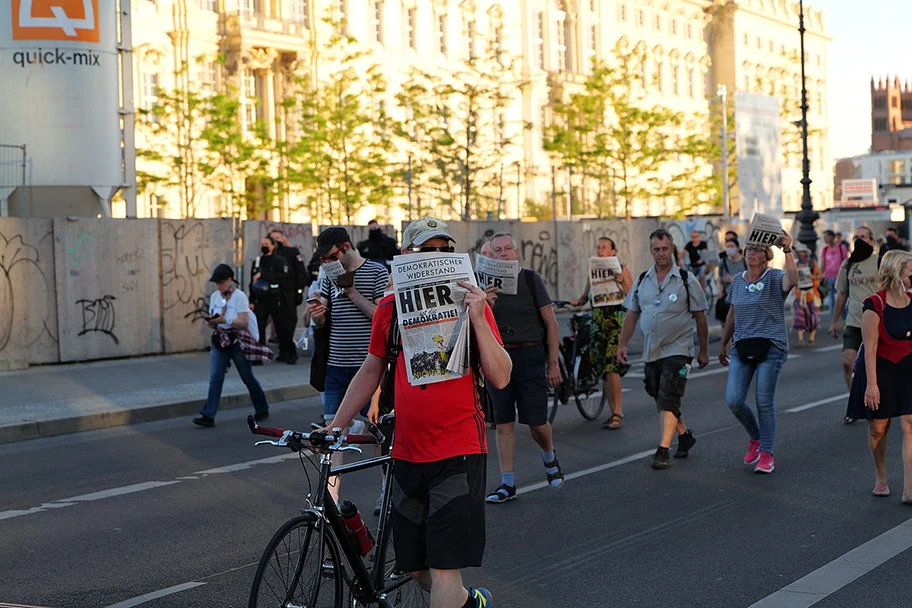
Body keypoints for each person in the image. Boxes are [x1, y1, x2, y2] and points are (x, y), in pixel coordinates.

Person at [324, 216, 511, 608]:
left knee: (444, 566)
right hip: (407, 452)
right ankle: (471, 602)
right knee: (414, 566)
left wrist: (477, 317)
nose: (438, 256)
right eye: (429, 251)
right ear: (408, 256)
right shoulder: (390, 309)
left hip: (459, 450)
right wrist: (335, 426)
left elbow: (500, 376)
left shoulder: (472, 302)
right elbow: (372, 367)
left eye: (445, 250)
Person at [483, 232, 564, 504]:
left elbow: (551, 324)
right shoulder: (484, 287)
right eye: (498, 251)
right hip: (499, 356)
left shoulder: (530, 280)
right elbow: (478, 326)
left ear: (516, 252)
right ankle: (508, 483)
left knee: (536, 423)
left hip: (530, 354)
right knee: (503, 422)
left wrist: (552, 363)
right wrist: (486, 305)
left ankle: (549, 456)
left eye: (508, 249)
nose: (504, 254)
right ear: (491, 256)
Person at [618, 229, 709, 470]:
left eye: (665, 249)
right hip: (652, 350)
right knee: (658, 393)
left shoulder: (686, 279)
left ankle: (662, 450)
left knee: (669, 396)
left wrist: (703, 351)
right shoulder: (641, 281)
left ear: (672, 250)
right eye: (656, 249)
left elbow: (700, 317)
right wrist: (622, 344)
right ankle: (684, 435)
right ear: (651, 251)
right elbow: (632, 315)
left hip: (679, 349)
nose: (660, 254)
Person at [310, 227, 389, 502]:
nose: (327, 263)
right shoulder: (328, 276)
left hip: (368, 368)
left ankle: (385, 491)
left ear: (345, 247)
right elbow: (321, 319)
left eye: (331, 257)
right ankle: (329, 501)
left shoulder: (377, 271)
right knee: (333, 435)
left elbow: (382, 317)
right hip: (335, 366)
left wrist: (352, 292)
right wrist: (317, 314)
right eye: (323, 260)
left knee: (379, 434)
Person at [719, 234, 798, 474]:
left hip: (771, 345)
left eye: (757, 249)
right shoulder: (739, 281)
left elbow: (793, 280)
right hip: (743, 345)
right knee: (733, 400)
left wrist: (787, 250)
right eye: (748, 249)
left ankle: (767, 453)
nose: (751, 252)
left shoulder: (774, 277)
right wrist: (723, 344)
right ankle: (756, 437)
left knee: (764, 402)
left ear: (766, 256)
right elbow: (732, 313)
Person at [844, 250, 912, 503]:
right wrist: (871, 385)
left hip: (908, 366)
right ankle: (881, 476)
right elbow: (870, 348)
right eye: (910, 271)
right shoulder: (875, 304)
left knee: (909, 424)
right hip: (880, 367)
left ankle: (910, 488)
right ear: (896, 273)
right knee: (878, 427)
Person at [194, 264, 273, 427]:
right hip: (221, 340)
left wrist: (226, 321)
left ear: (229, 280)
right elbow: (214, 317)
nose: (218, 286)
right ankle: (209, 414)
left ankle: (262, 408)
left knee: (247, 376)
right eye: (216, 283)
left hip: (237, 341)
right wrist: (214, 322)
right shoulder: (215, 296)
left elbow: (243, 322)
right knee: (216, 377)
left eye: (221, 282)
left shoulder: (239, 296)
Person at [570, 237, 633, 429]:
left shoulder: (621, 268)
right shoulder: (593, 271)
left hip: (615, 323)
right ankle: (613, 411)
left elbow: (632, 295)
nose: (600, 250)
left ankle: (617, 412)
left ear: (613, 252)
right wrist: (577, 301)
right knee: (603, 369)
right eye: (598, 247)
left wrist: (622, 282)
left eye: (604, 247)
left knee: (612, 365)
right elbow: (585, 296)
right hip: (598, 323)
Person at [830, 226, 880, 424]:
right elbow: (842, 293)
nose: (860, 240)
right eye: (857, 237)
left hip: (878, 322)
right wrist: (834, 321)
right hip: (854, 321)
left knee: (876, 365)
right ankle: (855, 403)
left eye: (864, 237)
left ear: (872, 241)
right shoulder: (848, 264)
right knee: (847, 362)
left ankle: (877, 401)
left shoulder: (880, 261)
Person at [250, 236, 297, 363]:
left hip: (276, 298)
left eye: (266, 244)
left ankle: (288, 352)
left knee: (282, 327)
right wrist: (251, 300)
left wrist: (264, 275)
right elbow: (252, 281)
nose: (264, 246)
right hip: (260, 299)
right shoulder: (258, 261)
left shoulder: (280, 261)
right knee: (259, 327)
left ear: (273, 246)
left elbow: (284, 277)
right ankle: (258, 354)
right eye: (262, 243)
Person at [792, 242, 822, 347]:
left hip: (812, 294)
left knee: (814, 318)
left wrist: (811, 276)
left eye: (802, 252)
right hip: (800, 295)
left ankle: (811, 338)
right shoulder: (794, 264)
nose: (800, 254)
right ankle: (800, 339)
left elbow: (819, 276)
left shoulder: (812, 263)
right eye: (799, 252)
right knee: (799, 318)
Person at [716, 237, 746, 326]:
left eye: (732, 246)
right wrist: (719, 291)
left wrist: (734, 279)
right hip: (727, 294)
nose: (729, 249)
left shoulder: (744, 262)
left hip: (742, 294)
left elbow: (751, 278)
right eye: (728, 246)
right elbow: (720, 279)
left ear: (737, 247)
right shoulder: (723, 262)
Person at [821, 230, 848, 317]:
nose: (824, 239)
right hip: (828, 278)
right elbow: (823, 263)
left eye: (826, 236)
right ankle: (833, 321)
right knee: (831, 300)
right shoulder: (825, 249)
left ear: (832, 237)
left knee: (841, 299)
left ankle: (844, 319)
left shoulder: (841, 247)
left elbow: (846, 261)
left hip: (839, 278)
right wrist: (821, 275)